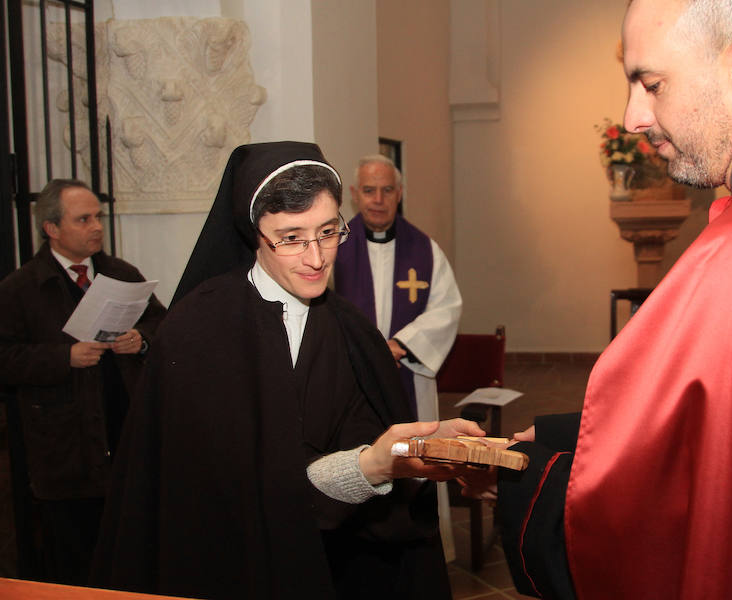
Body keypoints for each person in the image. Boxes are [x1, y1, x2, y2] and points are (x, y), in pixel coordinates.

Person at [461, 1, 732, 598]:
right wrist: (571, 435)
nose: (633, 116)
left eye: (651, 83)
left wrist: (525, 479)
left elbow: (665, 526)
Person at [91, 142, 481, 600]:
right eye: (291, 237)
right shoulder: (197, 329)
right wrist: (368, 464)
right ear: (254, 233)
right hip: (229, 567)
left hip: (330, 567)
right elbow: (205, 488)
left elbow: (362, 458)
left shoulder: (352, 332)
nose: (316, 258)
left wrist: (405, 453)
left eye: (329, 231)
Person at [0, 179, 165, 585]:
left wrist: (141, 339)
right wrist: (63, 357)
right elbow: (5, 357)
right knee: (75, 559)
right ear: (51, 229)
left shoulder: (121, 272)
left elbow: (164, 323)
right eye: (84, 219)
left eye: (98, 217)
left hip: (123, 428)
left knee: (131, 553)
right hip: (64, 446)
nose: (96, 226)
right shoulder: (20, 289)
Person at [333, 154, 463, 557]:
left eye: (387, 190)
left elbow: (447, 306)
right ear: (355, 195)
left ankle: (420, 552)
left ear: (399, 194)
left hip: (408, 375)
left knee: (418, 466)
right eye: (369, 190)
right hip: (350, 383)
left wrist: (399, 345)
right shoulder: (333, 247)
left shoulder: (424, 248)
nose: (378, 199)